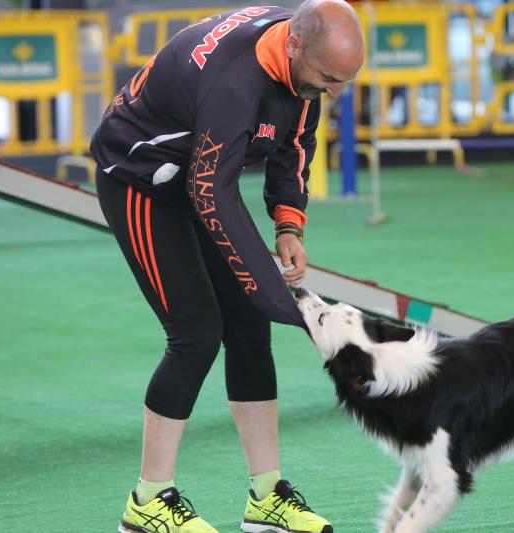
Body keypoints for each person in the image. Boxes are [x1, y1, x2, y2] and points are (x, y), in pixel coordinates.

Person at [89, 1, 364, 532]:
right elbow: (211, 193)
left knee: (248, 327)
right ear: (294, 46)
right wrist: (296, 309)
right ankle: (146, 504)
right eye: (330, 79)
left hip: (196, 175)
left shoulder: (304, 56)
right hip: (138, 181)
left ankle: (266, 498)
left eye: (345, 81)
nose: (336, 92)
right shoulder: (233, 84)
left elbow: (295, 142)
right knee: (196, 333)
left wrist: (288, 223)